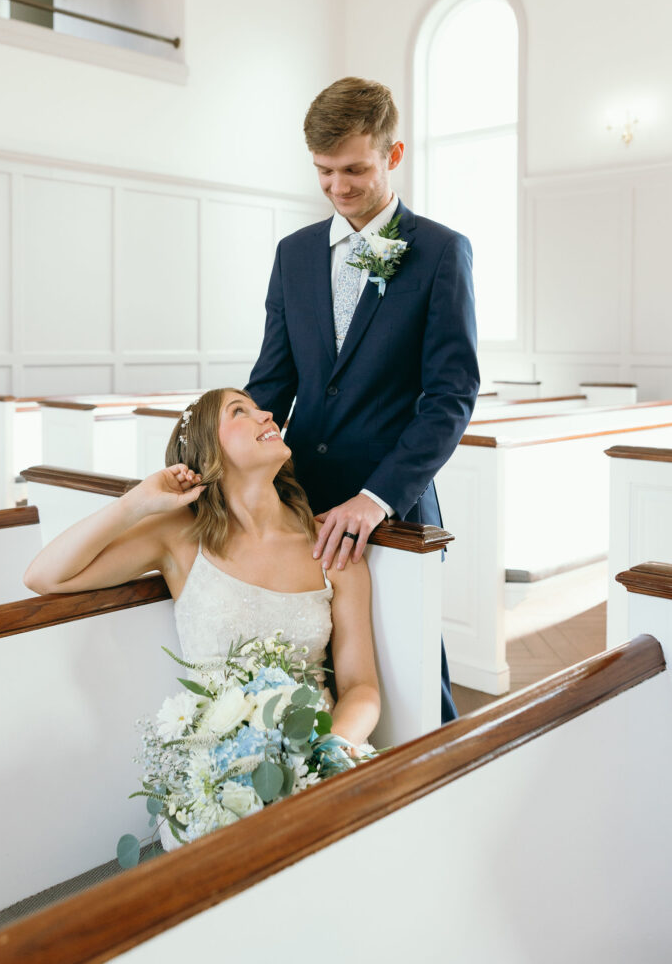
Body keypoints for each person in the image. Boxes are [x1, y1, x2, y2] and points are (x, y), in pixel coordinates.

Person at [246, 77, 480, 725]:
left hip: (391, 510)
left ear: (393, 155)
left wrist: (374, 498)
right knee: (311, 668)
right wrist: (219, 457)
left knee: (408, 680)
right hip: (295, 501)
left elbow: (450, 395)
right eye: (323, 171)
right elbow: (270, 382)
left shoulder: (438, 252)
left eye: (354, 169)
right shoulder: (292, 255)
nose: (338, 187)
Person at [24, 387, 380, 752]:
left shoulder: (330, 546)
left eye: (259, 408)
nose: (266, 415)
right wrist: (136, 503)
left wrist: (326, 752)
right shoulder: (178, 537)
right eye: (239, 412)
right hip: (221, 769)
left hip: (327, 752)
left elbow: (360, 688)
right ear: (208, 448)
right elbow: (44, 576)